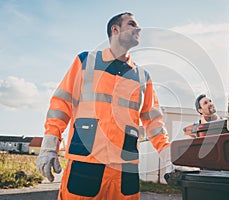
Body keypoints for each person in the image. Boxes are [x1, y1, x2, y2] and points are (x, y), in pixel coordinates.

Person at [36, 12, 172, 200]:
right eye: (132, 24)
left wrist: (168, 156)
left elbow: (154, 122)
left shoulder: (142, 76)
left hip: (125, 172)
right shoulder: (85, 62)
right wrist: (49, 147)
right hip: (86, 165)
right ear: (115, 30)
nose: (138, 28)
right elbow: (61, 105)